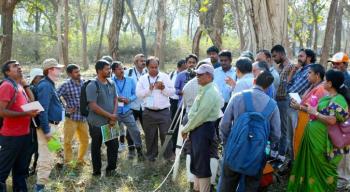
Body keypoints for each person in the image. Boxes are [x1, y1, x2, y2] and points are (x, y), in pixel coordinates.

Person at [288, 69, 350, 192]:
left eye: (325, 80)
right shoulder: (328, 97)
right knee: (311, 165)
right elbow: (314, 110)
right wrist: (298, 107)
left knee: (320, 165)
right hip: (314, 137)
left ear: (330, 84)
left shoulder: (338, 100)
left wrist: (315, 112)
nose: (323, 83)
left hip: (322, 139)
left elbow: (332, 120)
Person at [219, 71, 281, 191]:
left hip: (234, 150)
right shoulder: (272, 105)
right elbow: (276, 135)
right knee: (251, 186)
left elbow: (224, 125)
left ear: (254, 81)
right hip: (257, 153)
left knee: (227, 185)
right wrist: (266, 151)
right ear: (268, 87)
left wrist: (227, 144)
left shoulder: (237, 97)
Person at [181, 64, 222, 192]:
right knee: (197, 160)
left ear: (209, 76)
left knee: (203, 163)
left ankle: (204, 189)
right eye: (196, 74)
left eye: (200, 75)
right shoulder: (204, 88)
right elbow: (194, 110)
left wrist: (185, 129)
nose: (197, 77)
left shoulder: (211, 91)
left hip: (204, 130)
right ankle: (197, 188)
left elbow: (200, 116)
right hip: (198, 129)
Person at [0, 60, 39, 192]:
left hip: (25, 135)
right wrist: (26, 114)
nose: (19, 67)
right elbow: (2, 111)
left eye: (19, 65)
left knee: (21, 171)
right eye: (15, 66)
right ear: (7, 72)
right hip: (11, 137)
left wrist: (25, 84)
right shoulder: (7, 86)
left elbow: (32, 102)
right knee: (2, 171)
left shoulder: (19, 86)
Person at [276, 48, 314, 164]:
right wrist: (292, 73)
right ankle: (292, 162)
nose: (299, 58)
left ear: (309, 58)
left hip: (298, 107)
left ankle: (296, 163)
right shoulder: (301, 70)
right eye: (298, 56)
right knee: (290, 135)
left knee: (294, 136)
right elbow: (288, 84)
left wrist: (288, 84)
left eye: (301, 56)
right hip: (293, 104)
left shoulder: (310, 71)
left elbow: (292, 88)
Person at [136, 56, 175, 161]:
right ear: (147, 67)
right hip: (148, 112)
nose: (154, 69)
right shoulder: (143, 79)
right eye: (151, 67)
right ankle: (151, 156)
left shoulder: (165, 77)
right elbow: (138, 94)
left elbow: (172, 92)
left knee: (165, 134)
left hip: (164, 112)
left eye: (156, 67)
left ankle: (168, 157)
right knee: (150, 136)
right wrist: (149, 89)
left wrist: (163, 88)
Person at [35, 58, 64, 191]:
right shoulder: (45, 86)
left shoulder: (50, 84)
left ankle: (49, 177)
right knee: (45, 156)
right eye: (58, 68)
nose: (60, 70)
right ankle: (40, 186)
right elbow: (43, 110)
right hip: (48, 127)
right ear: (50, 70)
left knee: (53, 151)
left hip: (53, 126)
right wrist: (46, 131)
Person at [86, 59, 118, 177]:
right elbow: (93, 106)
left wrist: (113, 116)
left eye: (109, 68)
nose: (109, 71)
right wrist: (110, 116)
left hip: (110, 122)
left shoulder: (111, 83)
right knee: (96, 147)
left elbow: (115, 99)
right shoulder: (92, 85)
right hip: (97, 123)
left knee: (114, 146)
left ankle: (111, 170)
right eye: (107, 69)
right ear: (99, 70)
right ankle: (97, 172)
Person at [289, 64, 327, 157]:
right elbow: (306, 100)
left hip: (309, 124)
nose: (307, 75)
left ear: (317, 75)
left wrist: (299, 107)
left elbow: (314, 110)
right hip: (303, 121)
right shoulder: (313, 86)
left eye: (309, 73)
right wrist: (299, 101)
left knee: (305, 152)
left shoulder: (320, 89)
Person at [57, 64, 89, 166]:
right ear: (69, 74)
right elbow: (55, 97)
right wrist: (65, 109)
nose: (78, 73)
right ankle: (68, 162)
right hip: (71, 118)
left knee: (85, 140)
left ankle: (80, 160)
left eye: (79, 71)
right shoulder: (65, 85)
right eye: (76, 72)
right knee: (67, 141)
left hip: (83, 117)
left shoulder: (84, 83)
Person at [111, 61, 144, 160]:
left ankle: (139, 151)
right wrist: (117, 98)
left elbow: (136, 93)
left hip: (127, 111)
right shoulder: (110, 81)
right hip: (114, 113)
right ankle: (113, 154)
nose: (122, 70)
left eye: (122, 68)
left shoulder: (130, 80)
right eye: (119, 69)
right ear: (113, 71)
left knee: (135, 131)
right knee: (113, 134)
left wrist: (129, 99)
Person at [270, 45, 294, 161]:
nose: (274, 58)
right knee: (275, 126)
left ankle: (282, 155)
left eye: (275, 56)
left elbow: (289, 85)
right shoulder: (279, 67)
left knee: (283, 129)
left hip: (284, 101)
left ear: (281, 54)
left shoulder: (291, 66)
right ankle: (274, 152)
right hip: (276, 100)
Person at [122, 54, 147, 152]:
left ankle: (145, 149)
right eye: (141, 60)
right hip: (131, 105)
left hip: (144, 105)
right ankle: (131, 149)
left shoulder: (147, 72)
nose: (143, 62)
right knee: (130, 129)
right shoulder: (128, 72)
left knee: (146, 128)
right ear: (135, 62)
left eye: (144, 60)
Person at [27, 68, 44, 176]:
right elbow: (32, 107)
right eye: (41, 77)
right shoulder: (32, 89)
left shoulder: (43, 87)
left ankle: (54, 160)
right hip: (36, 124)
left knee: (51, 143)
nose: (42, 79)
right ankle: (32, 168)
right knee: (34, 147)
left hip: (45, 122)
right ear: (35, 78)